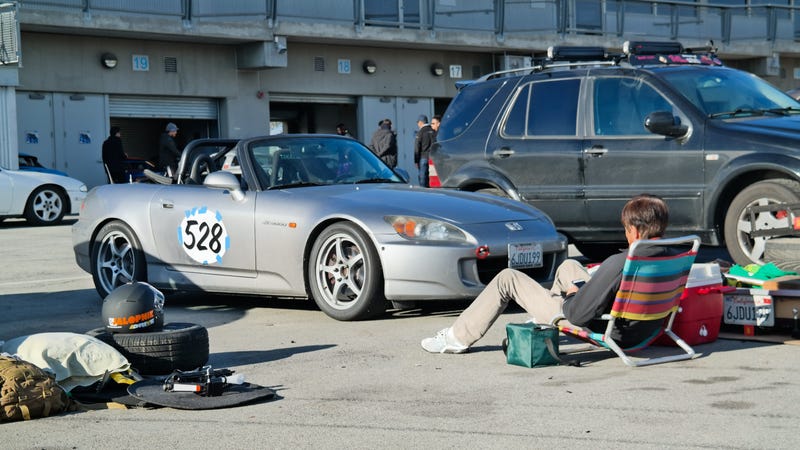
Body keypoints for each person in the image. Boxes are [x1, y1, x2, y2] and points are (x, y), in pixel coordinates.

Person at [421, 194, 672, 354]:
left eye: (626, 230)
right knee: (567, 268)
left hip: (607, 329)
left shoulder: (621, 263)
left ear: (636, 232)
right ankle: (544, 320)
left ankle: (456, 338)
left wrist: (575, 294)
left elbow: (577, 313)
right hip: (643, 330)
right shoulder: (673, 256)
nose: (626, 235)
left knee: (507, 278)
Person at [414, 114, 436, 186]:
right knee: (433, 177)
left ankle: (424, 192)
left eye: (418, 123)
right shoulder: (433, 131)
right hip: (433, 157)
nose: (418, 124)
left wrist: (416, 160)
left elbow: (417, 147)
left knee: (423, 177)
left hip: (423, 157)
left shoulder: (420, 132)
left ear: (421, 122)